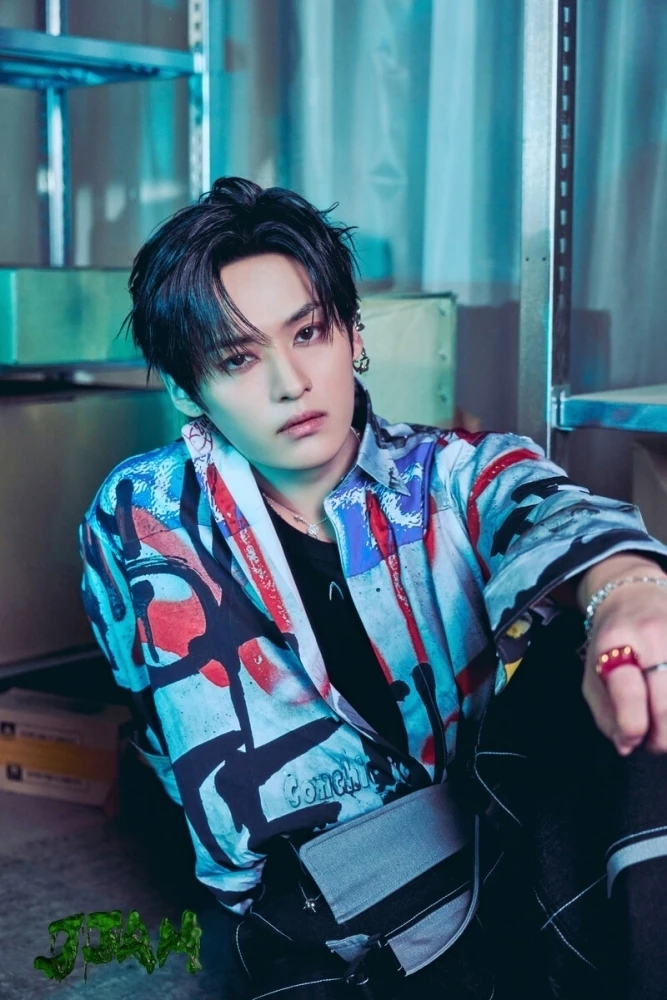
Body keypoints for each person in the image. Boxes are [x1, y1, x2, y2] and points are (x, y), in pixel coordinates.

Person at [79, 177, 667, 1000]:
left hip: (478, 823)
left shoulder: (446, 472)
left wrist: (625, 591)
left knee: (609, 667)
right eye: (238, 358)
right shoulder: (140, 514)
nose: (290, 382)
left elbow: (544, 506)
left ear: (352, 335)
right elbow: (163, 730)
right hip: (303, 900)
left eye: (308, 333)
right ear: (186, 389)